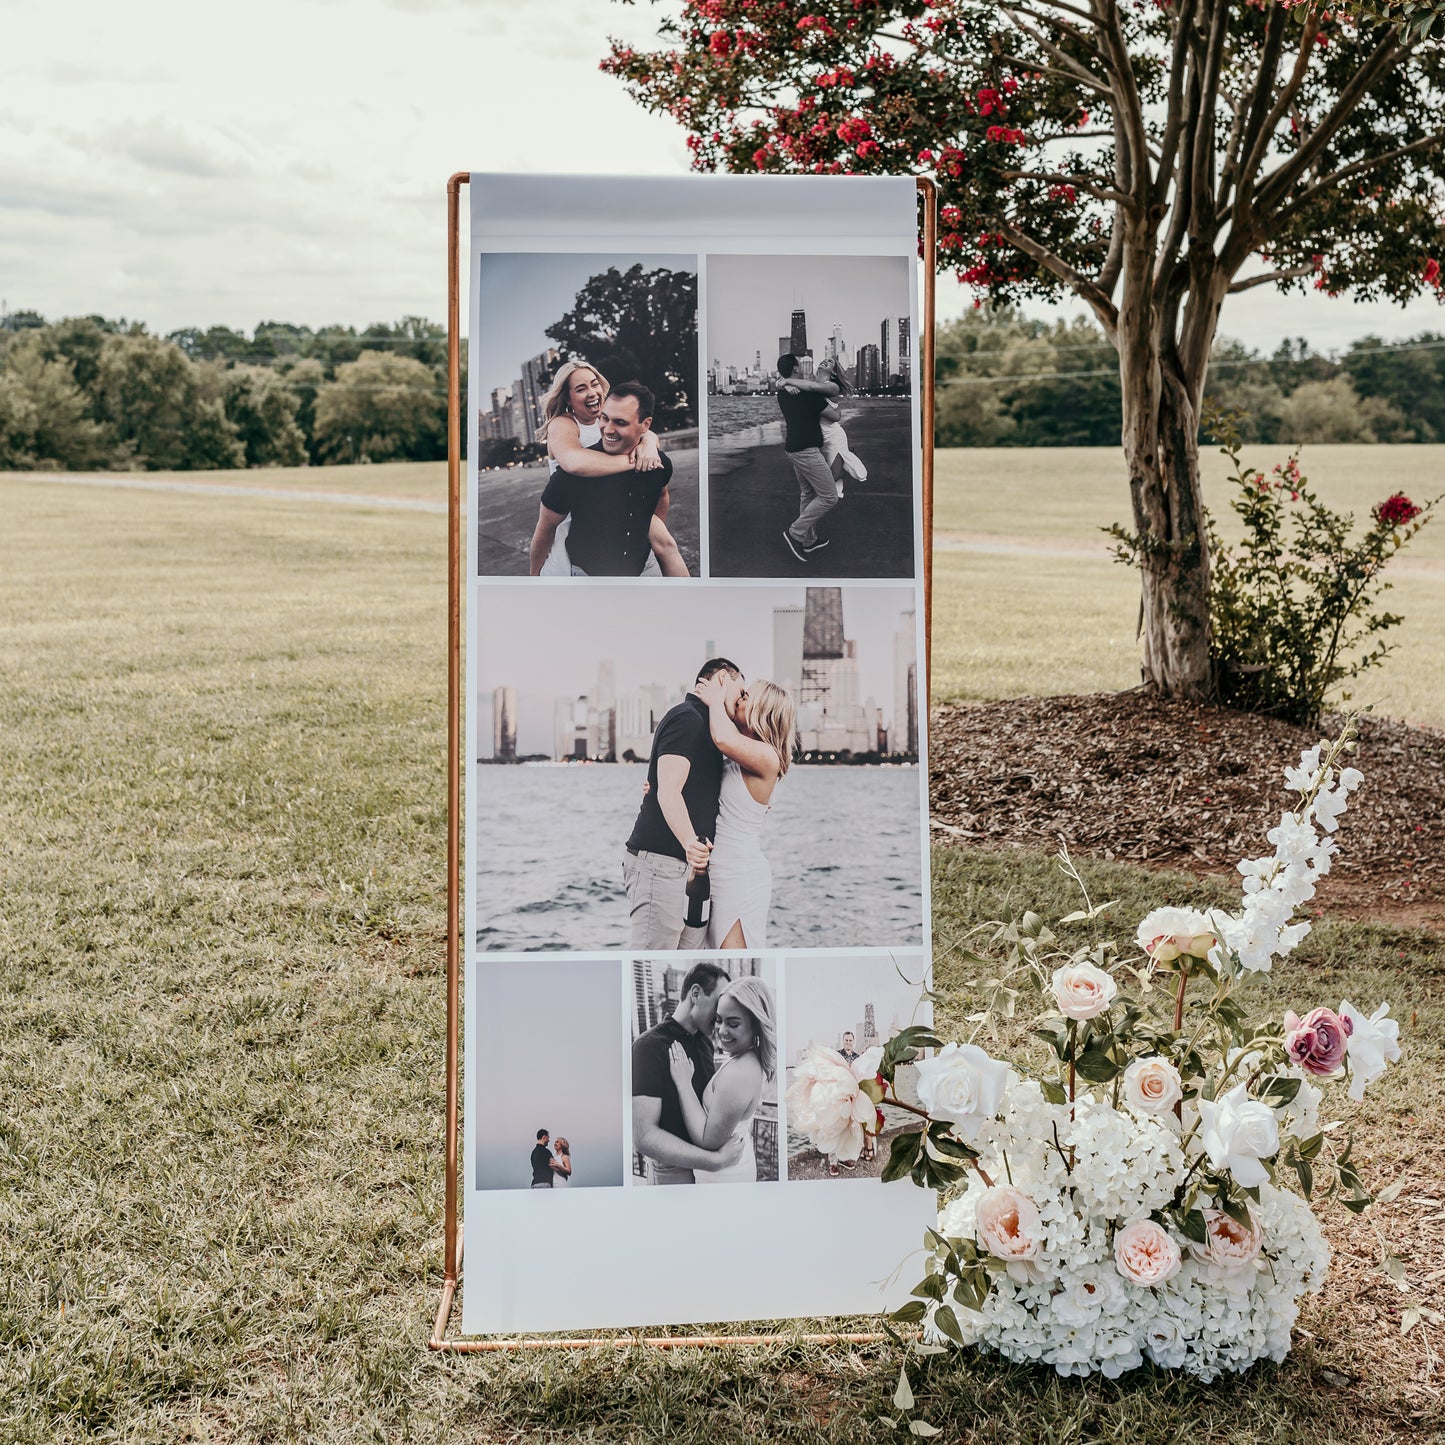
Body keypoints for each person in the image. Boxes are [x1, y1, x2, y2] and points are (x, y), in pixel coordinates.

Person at [623, 657, 743, 950]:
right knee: (650, 964)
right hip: (662, 863)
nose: (741, 701)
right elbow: (668, 790)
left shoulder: (710, 725)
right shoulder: (689, 718)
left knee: (689, 961)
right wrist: (691, 844)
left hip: (690, 869)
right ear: (723, 680)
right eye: (740, 692)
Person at [533, 360, 683, 577]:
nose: (592, 392)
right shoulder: (563, 423)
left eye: (594, 384)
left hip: (617, 501)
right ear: (568, 397)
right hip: (576, 513)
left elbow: (642, 430)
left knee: (667, 544)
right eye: (581, 388)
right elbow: (575, 462)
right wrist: (634, 462)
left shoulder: (607, 416)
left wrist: (649, 444)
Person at [692, 671, 796, 950]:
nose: (739, 699)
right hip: (717, 871)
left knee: (733, 962)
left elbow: (723, 739)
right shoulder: (740, 756)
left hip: (739, 875)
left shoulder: (767, 757)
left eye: (747, 696)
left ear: (762, 710)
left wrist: (715, 699)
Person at [631, 962, 747, 1184]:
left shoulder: (706, 1044)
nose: (724, 1010)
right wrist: (715, 1161)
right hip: (674, 1174)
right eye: (720, 1000)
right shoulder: (648, 1047)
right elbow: (644, 1137)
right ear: (696, 993)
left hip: (710, 1175)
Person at [667, 975, 776, 1185]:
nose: (722, 1030)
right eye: (719, 1020)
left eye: (733, 1024)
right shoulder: (742, 1059)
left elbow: (708, 1141)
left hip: (724, 1180)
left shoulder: (741, 1073)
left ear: (756, 1024)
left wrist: (684, 1084)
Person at [775, 353, 841, 563]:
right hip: (807, 450)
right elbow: (836, 416)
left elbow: (812, 390)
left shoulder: (784, 392)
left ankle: (808, 541)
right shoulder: (806, 393)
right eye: (799, 365)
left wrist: (784, 383)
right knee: (829, 497)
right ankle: (796, 532)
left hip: (794, 448)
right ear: (795, 369)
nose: (803, 367)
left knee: (808, 493)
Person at [815, 357, 868, 501]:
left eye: (830, 362)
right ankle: (845, 459)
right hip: (820, 437)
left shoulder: (831, 386)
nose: (825, 361)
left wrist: (787, 383)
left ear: (833, 373)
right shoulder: (813, 385)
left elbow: (811, 396)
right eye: (824, 359)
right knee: (826, 480)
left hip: (833, 436)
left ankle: (847, 463)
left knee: (829, 479)